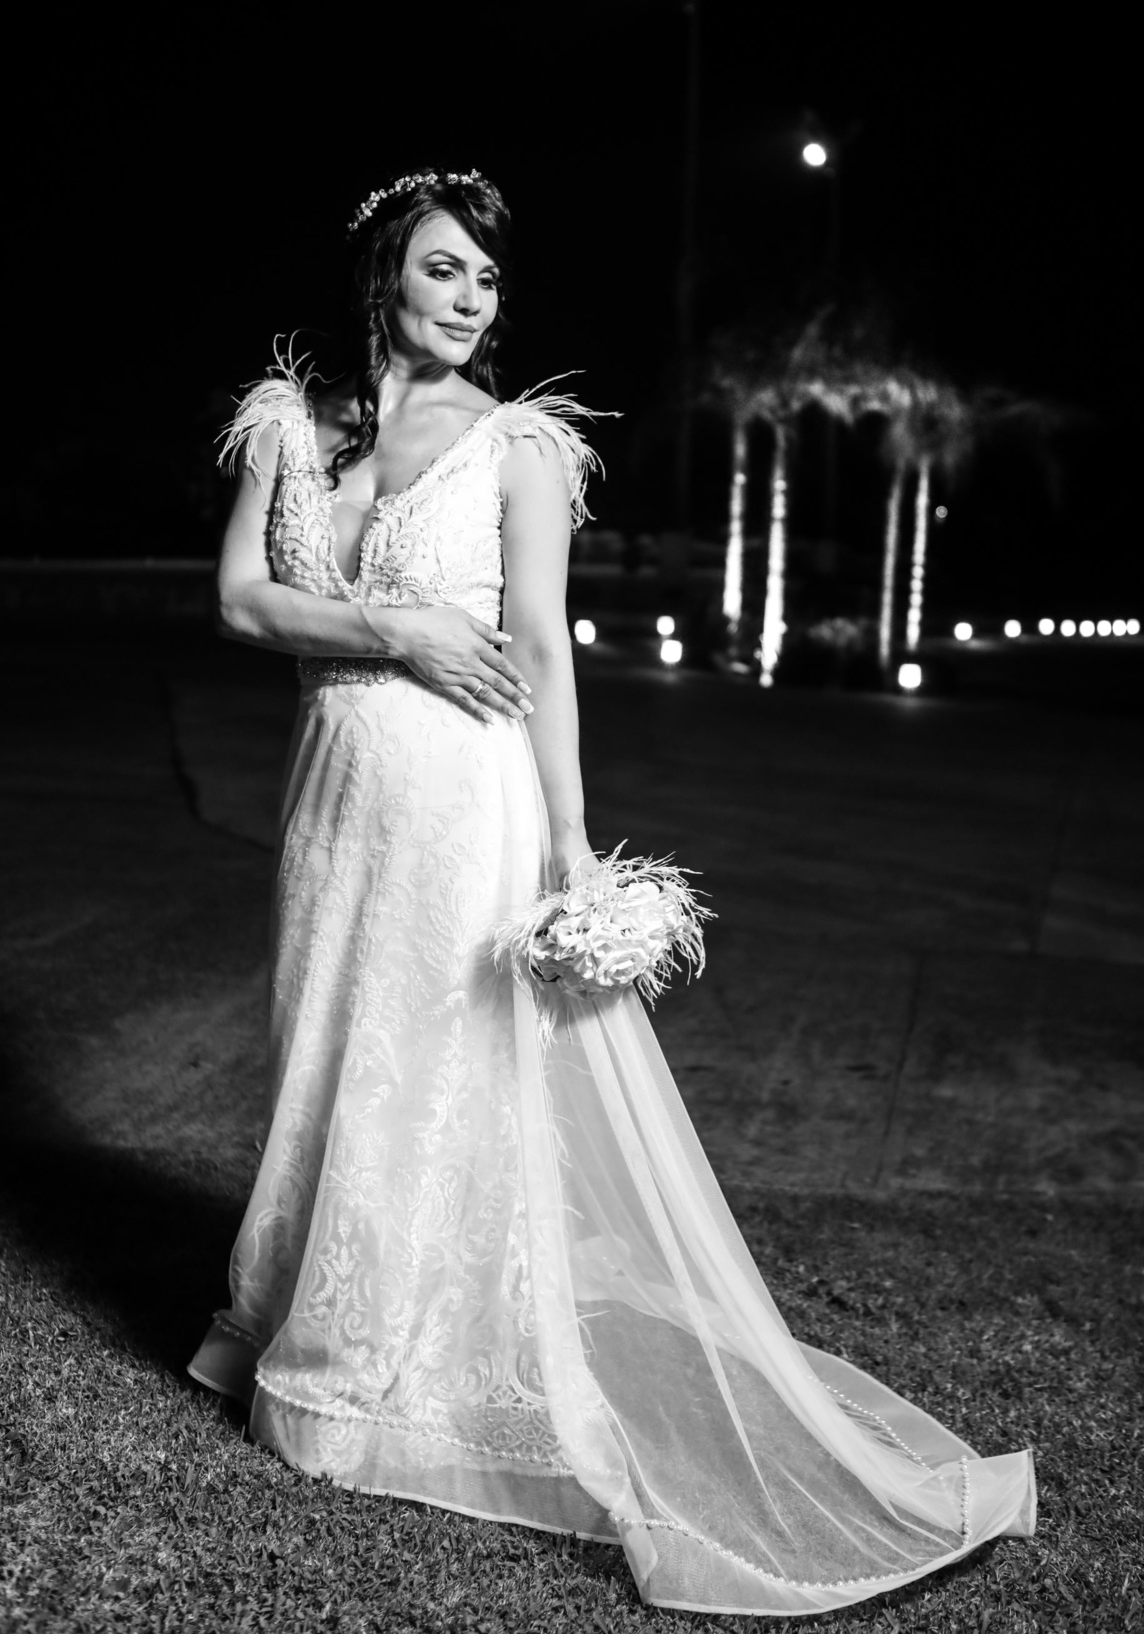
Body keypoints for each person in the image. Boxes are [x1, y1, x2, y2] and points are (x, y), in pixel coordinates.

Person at [189, 168, 1036, 1617]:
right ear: (383, 275)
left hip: (466, 798)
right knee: (320, 1046)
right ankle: (289, 1304)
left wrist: (572, 844)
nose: (471, 299)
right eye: (444, 269)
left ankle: (381, 1362)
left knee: (427, 1066)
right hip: (334, 791)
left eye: (488, 279)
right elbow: (240, 602)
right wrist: (396, 628)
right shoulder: (290, 424)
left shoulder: (518, 446)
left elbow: (542, 645)